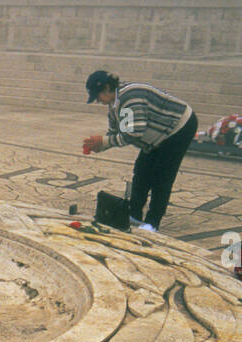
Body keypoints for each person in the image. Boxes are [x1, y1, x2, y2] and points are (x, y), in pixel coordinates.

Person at [81, 70, 198, 233]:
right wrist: (100, 145)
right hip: (156, 135)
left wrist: (105, 141)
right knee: (142, 170)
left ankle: (152, 222)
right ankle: (134, 214)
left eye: (98, 95)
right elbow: (118, 133)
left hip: (178, 128)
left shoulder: (129, 98)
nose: (98, 101)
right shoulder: (115, 104)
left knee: (162, 176)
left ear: (107, 88)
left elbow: (134, 133)